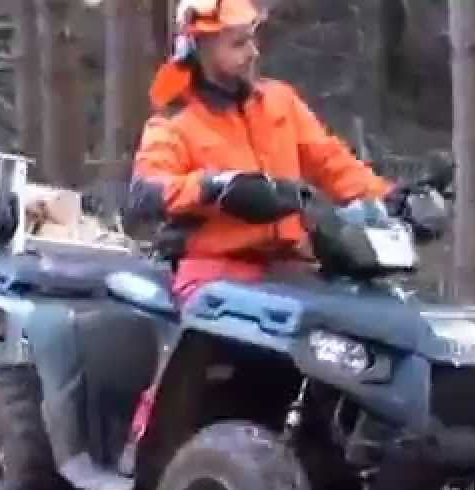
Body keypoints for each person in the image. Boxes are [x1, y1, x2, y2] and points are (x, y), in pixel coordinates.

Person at [127, 0, 398, 305]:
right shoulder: (174, 121)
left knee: (368, 319)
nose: (253, 52)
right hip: (214, 275)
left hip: (292, 270)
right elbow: (145, 193)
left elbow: (332, 163)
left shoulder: (278, 101)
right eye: (238, 43)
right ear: (198, 48)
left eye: (252, 39)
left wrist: (388, 200)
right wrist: (216, 187)